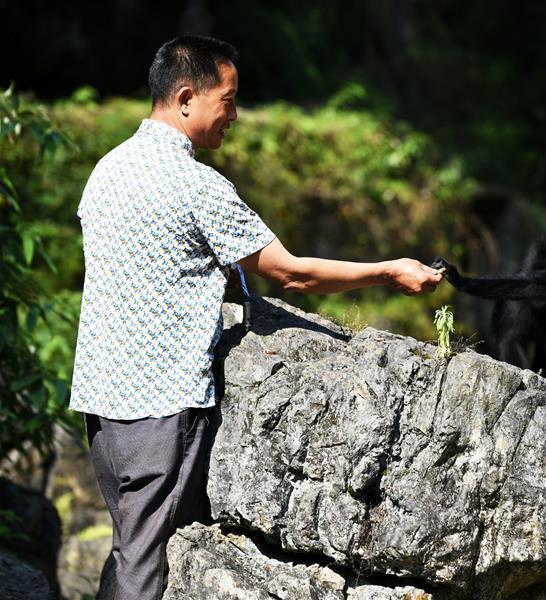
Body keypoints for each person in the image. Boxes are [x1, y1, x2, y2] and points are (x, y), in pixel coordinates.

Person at [69, 35, 443, 600]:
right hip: (158, 411)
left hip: (102, 407)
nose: (235, 116)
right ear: (188, 97)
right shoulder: (194, 184)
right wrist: (389, 272)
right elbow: (291, 273)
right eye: (230, 99)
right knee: (145, 567)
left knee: (131, 548)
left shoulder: (107, 169)